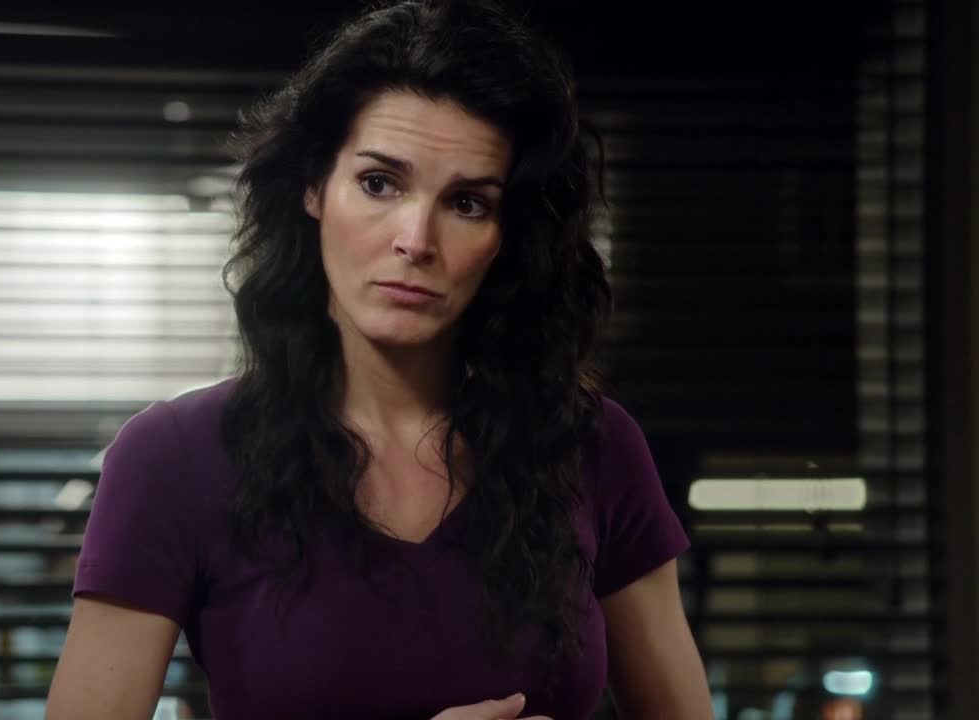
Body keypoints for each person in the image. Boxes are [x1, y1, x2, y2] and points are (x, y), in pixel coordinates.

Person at [47, 1, 713, 718]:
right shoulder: (175, 458)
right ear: (314, 187)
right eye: (379, 183)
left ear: (508, 235)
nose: (415, 240)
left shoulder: (591, 446)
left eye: (467, 203)